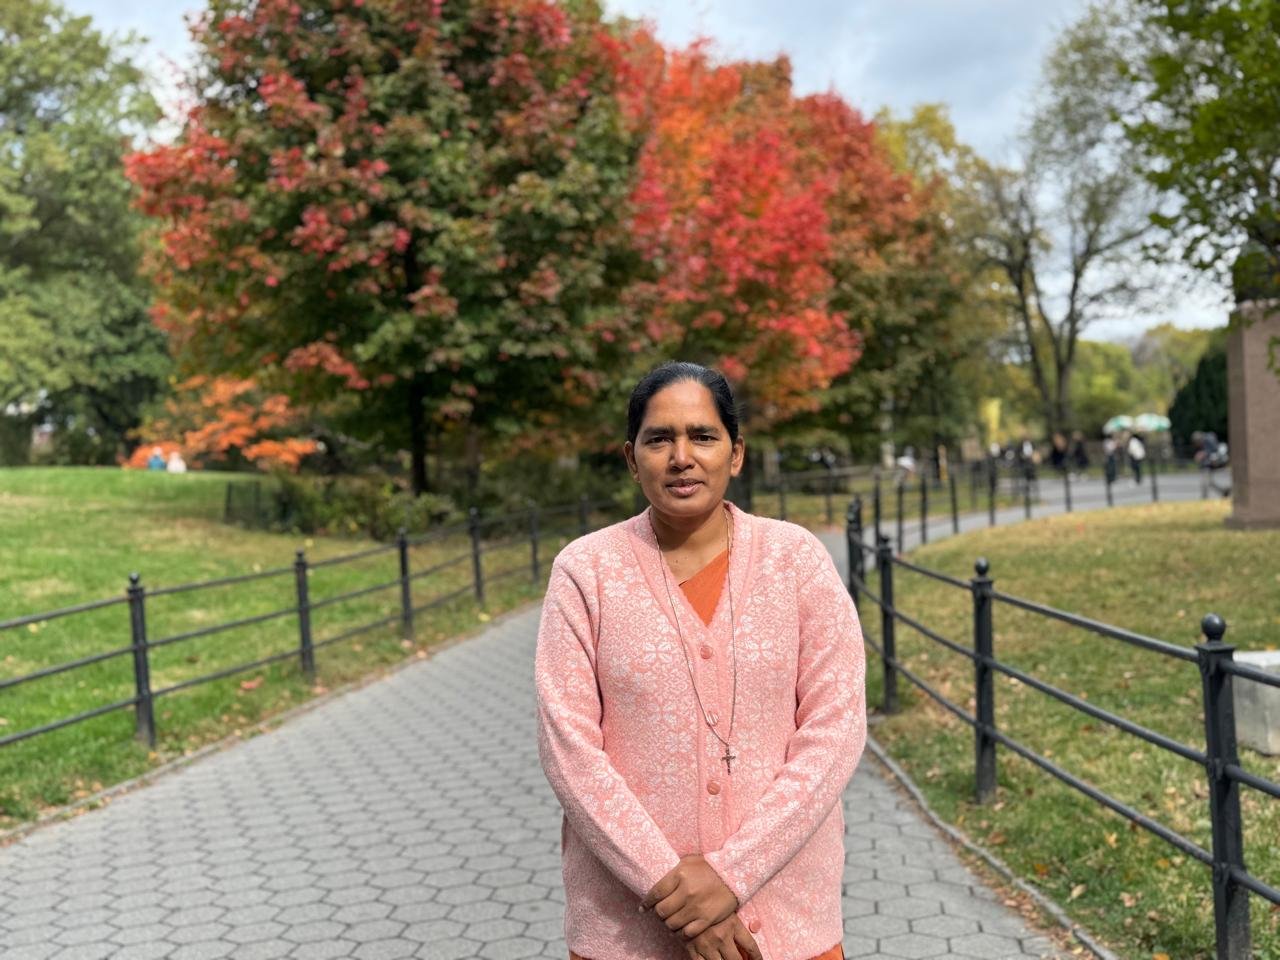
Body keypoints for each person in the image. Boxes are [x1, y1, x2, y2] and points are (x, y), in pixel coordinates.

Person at [535, 361, 866, 960]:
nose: (681, 457)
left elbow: (835, 729)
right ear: (631, 459)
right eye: (659, 439)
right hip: (626, 927)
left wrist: (732, 877)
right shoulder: (586, 572)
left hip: (785, 916)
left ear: (735, 454)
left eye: (703, 436)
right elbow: (569, 751)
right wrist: (677, 896)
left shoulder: (795, 562)